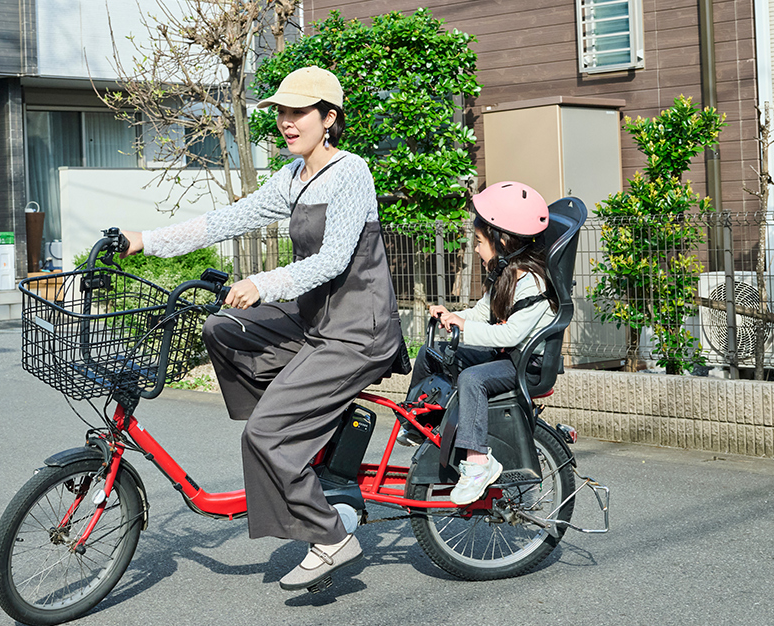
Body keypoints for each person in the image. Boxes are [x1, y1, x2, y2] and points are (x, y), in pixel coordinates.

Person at [118, 66, 404, 591]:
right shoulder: (294, 177)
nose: (286, 123)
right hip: (314, 319)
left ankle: (330, 533)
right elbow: (230, 218)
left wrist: (264, 283)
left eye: (298, 112)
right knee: (224, 328)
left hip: (356, 330)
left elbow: (334, 259)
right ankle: (296, 440)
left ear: (329, 119)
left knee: (265, 433)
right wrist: (147, 239)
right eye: (281, 112)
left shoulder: (351, 172)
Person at [402, 182, 556, 505]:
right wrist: (455, 316)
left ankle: (478, 463)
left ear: (503, 241)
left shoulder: (534, 283)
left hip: (525, 364)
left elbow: (509, 335)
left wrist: (464, 329)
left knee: (472, 379)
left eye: (479, 241)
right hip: (507, 356)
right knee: (433, 354)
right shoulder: (505, 275)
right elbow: (482, 313)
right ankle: (418, 422)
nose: (475, 248)